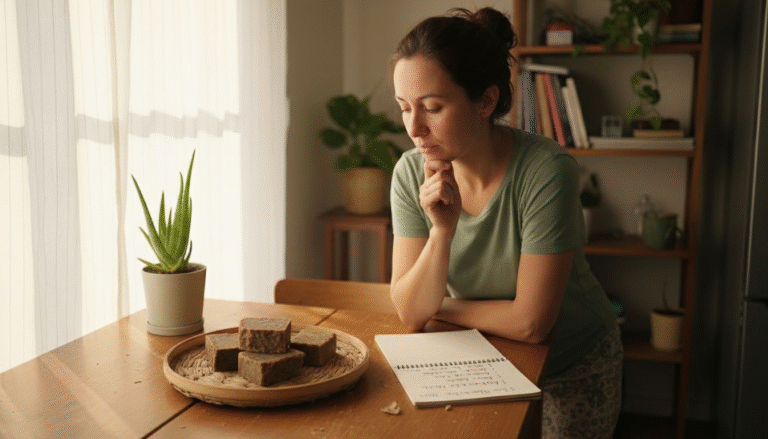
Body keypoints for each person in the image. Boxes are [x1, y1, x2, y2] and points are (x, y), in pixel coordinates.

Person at [389, 7, 623, 438]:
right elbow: (408, 313)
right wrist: (442, 230)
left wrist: (436, 305)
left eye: (433, 107)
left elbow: (533, 323)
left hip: (570, 361)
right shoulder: (409, 173)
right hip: (477, 354)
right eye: (404, 108)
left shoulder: (545, 171)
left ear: (487, 100)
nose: (415, 129)